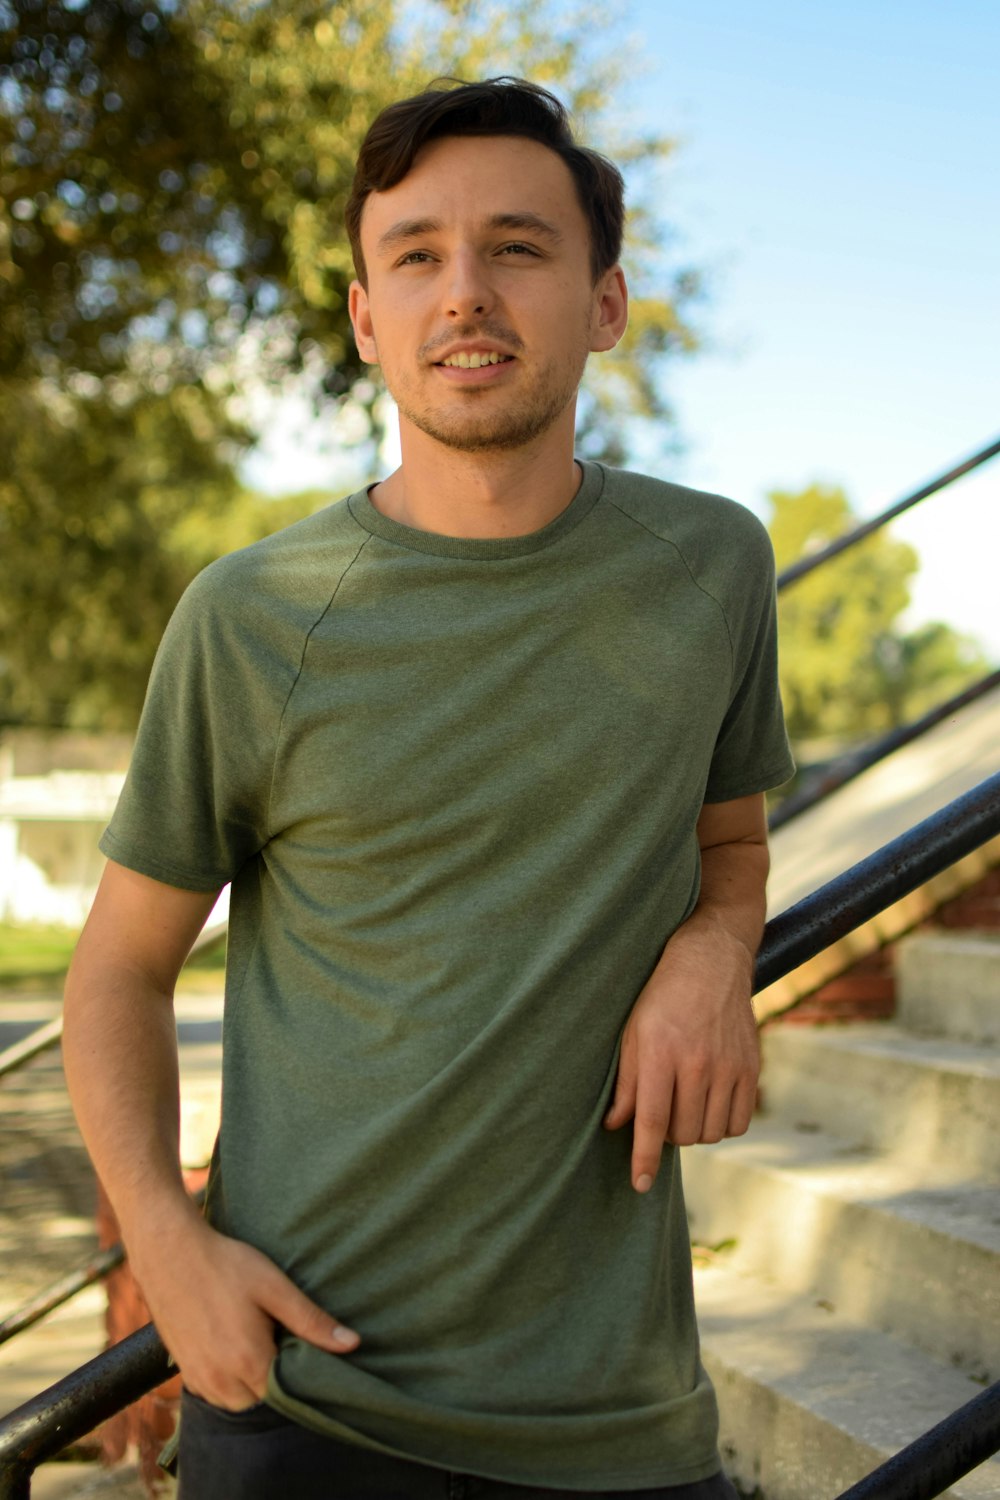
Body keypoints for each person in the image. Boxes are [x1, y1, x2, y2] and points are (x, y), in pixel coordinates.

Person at [63, 77, 794, 1500]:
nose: (466, 292)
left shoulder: (713, 572)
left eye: (518, 246)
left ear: (604, 303)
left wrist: (716, 949)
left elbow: (732, 851)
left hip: (620, 1423)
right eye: (417, 256)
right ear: (364, 319)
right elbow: (116, 975)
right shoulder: (252, 617)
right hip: (305, 1409)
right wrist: (165, 1250)